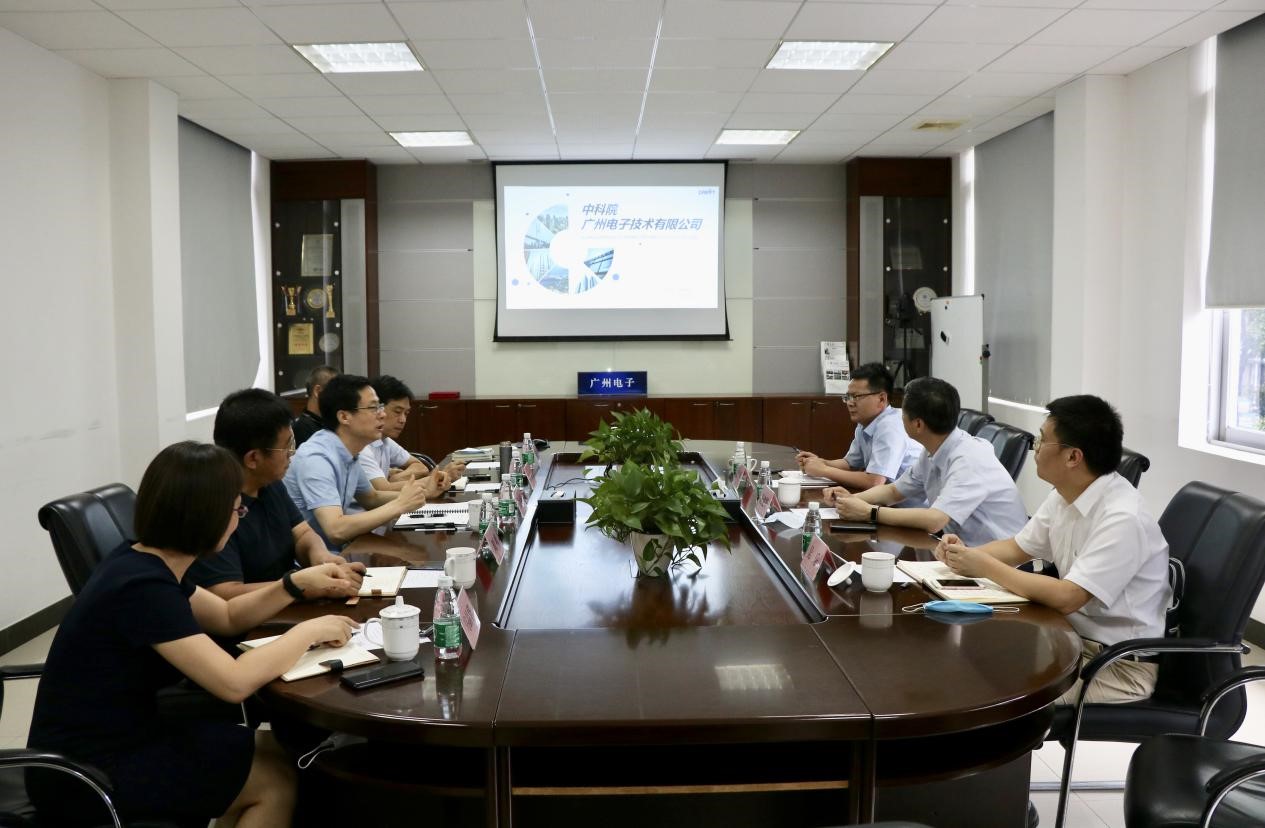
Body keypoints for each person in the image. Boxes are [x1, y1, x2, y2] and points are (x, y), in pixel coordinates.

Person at [27, 441, 359, 827]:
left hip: (130, 733)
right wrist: (309, 631)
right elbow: (233, 683)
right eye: (236, 510)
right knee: (275, 782)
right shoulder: (143, 588)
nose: (238, 520)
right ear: (206, 517)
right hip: (87, 768)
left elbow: (227, 616)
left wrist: (294, 585)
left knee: (280, 750)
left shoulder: (144, 560)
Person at [936, 395, 1170, 705]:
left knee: (996, 698)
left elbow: (1068, 596)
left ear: (1073, 457)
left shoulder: (1123, 518)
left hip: (1114, 666)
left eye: (1042, 440)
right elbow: (1016, 548)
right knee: (968, 663)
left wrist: (984, 566)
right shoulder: (1064, 494)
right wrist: (962, 554)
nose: (1035, 448)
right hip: (1067, 641)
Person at [187, 387, 365, 599]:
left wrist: (319, 556)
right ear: (253, 458)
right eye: (287, 447)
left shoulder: (270, 483)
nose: (292, 454)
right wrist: (301, 586)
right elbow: (225, 593)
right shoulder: (212, 507)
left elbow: (302, 533)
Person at [825, 377, 1028, 546]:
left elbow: (934, 520)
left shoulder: (969, 458)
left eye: (903, 413)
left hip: (1000, 562)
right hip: (959, 549)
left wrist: (870, 513)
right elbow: (894, 491)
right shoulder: (934, 449)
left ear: (918, 424)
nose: (899, 417)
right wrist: (852, 500)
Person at [284, 373, 449, 548]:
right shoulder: (317, 458)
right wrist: (400, 505)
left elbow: (371, 498)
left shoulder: (349, 450)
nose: (382, 414)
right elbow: (336, 530)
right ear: (344, 417)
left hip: (341, 550)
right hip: (313, 558)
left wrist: (425, 493)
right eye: (373, 408)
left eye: (380, 407)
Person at [794, 362, 922, 491]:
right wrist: (821, 462)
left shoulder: (890, 426)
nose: (850, 403)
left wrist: (824, 470)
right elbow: (850, 464)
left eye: (856, 397)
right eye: (848, 397)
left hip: (908, 503)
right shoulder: (865, 423)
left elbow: (874, 482)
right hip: (888, 498)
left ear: (881, 399)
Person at [292, 364, 338, 448]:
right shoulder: (301, 429)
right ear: (318, 391)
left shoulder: (329, 423)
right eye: (336, 391)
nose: (340, 398)